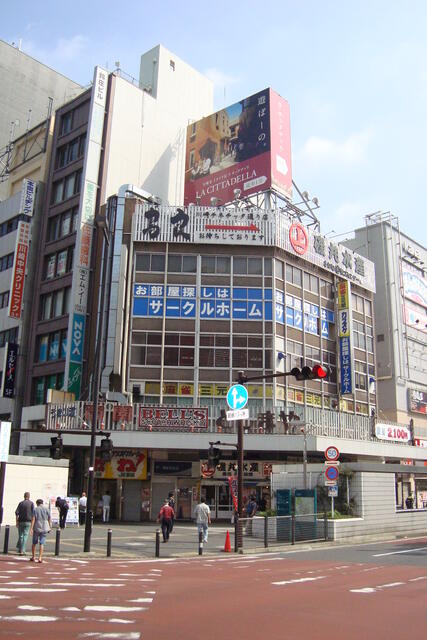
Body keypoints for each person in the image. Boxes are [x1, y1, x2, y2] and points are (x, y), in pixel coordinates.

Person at [30, 499, 51, 563]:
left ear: (37, 503)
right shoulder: (46, 509)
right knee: (42, 543)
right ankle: (40, 557)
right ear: (42, 503)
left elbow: (33, 519)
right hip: (44, 526)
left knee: (34, 542)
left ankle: (33, 556)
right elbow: (49, 518)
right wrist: (49, 526)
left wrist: (31, 528)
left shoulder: (35, 509)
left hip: (37, 526)